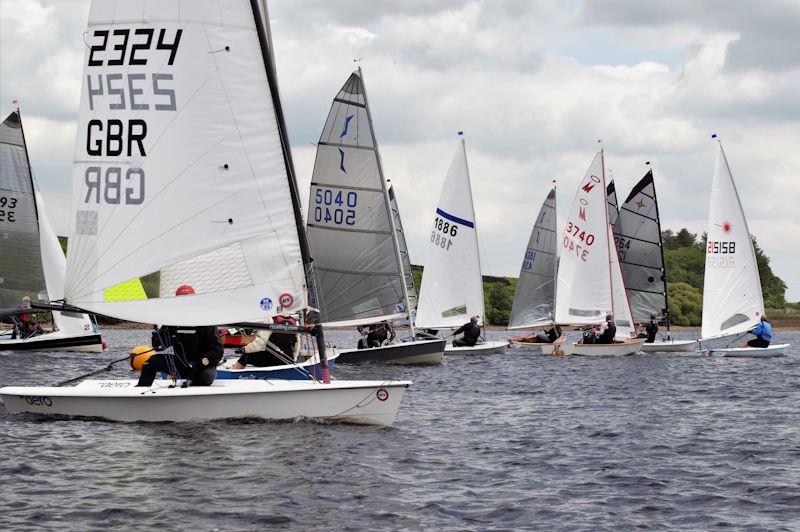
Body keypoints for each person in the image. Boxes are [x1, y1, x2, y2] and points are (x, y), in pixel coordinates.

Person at [136, 285, 223, 387]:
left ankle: (192, 398)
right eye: (181, 300)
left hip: (201, 366)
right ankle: (140, 392)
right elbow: (158, 347)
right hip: (180, 364)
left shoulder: (205, 322)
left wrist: (197, 365)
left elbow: (217, 351)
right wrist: (157, 329)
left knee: (205, 377)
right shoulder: (171, 321)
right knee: (151, 362)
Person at [230, 315, 301, 369]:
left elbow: (258, 345)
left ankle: (234, 371)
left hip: (271, 359)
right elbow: (296, 348)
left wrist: (244, 349)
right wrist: (293, 360)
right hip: (288, 360)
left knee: (248, 354)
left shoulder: (271, 319)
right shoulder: (295, 323)